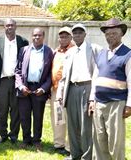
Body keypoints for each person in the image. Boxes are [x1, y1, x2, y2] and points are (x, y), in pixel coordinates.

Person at [56, 23, 102, 160]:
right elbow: (64, 76)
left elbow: (97, 74)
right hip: (71, 90)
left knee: (85, 126)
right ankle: (74, 154)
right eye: (74, 33)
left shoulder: (94, 49)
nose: (77, 35)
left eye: (80, 32)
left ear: (85, 34)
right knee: (72, 124)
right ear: (72, 35)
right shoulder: (69, 52)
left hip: (86, 88)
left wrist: (92, 96)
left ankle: (87, 156)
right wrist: (60, 92)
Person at [89, 18, 131, 160]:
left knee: (115, 142)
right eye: (107, 33)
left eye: (114, 33)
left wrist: (129, 105)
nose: (110, 36)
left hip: (116, 104)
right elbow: (95, 78)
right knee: (99, 140)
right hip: (98, 103)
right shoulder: (101, 53)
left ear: (121, 34)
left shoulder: (128, 54)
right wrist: (91, 99)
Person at [15, 28, 53, 151]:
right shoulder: (24, 50)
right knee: (24, 116)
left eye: (39, 35)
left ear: (43, 36)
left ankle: (37, 140)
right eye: (34, 35)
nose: (37, 37)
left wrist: (44, 88)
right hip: (25, 88)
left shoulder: (49, 52)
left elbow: (50, 74)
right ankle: (26, 140)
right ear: (31, 36)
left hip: (39, 89)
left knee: (38, 116)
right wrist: (21, 86)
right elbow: (18, 71)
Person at [0, 18, 28, 144]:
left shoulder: (23, 41)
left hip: (17, 81)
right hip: (2, 80)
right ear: (4, 27)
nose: (9, 27)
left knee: (16, 110)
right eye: (7, 25)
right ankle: (3, 134)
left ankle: (13, 135)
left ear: (16, 26)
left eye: (12, 25)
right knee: (2, 110)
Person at [50, 26, 74, 155]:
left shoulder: (75, 51)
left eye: (66, 36)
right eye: (61, 36)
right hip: (55, 89)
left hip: (70, 90)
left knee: (70, 118)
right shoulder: (56, 52)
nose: (63, 39)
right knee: (58, 117)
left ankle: (70, 147)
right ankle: (59, 144)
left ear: (71, 38)